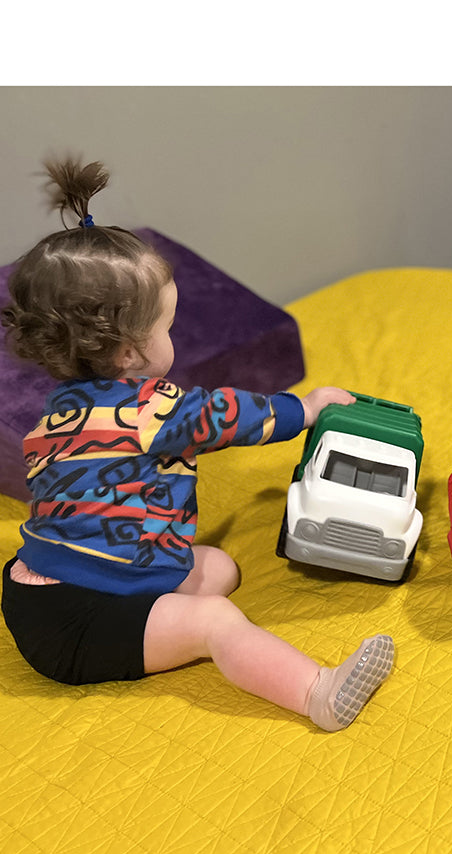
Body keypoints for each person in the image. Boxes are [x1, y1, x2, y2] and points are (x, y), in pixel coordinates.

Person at [0, 156, 393, 731]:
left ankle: (154, 597)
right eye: (166, 327)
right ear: (130, 353)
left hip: (40, 587)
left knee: (218, 567)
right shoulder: (151, 409)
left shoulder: (57, 413)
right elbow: (223, 415)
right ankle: (319, 692)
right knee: (214, 617)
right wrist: (304, 408)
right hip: (74, 622)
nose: (173, 340)